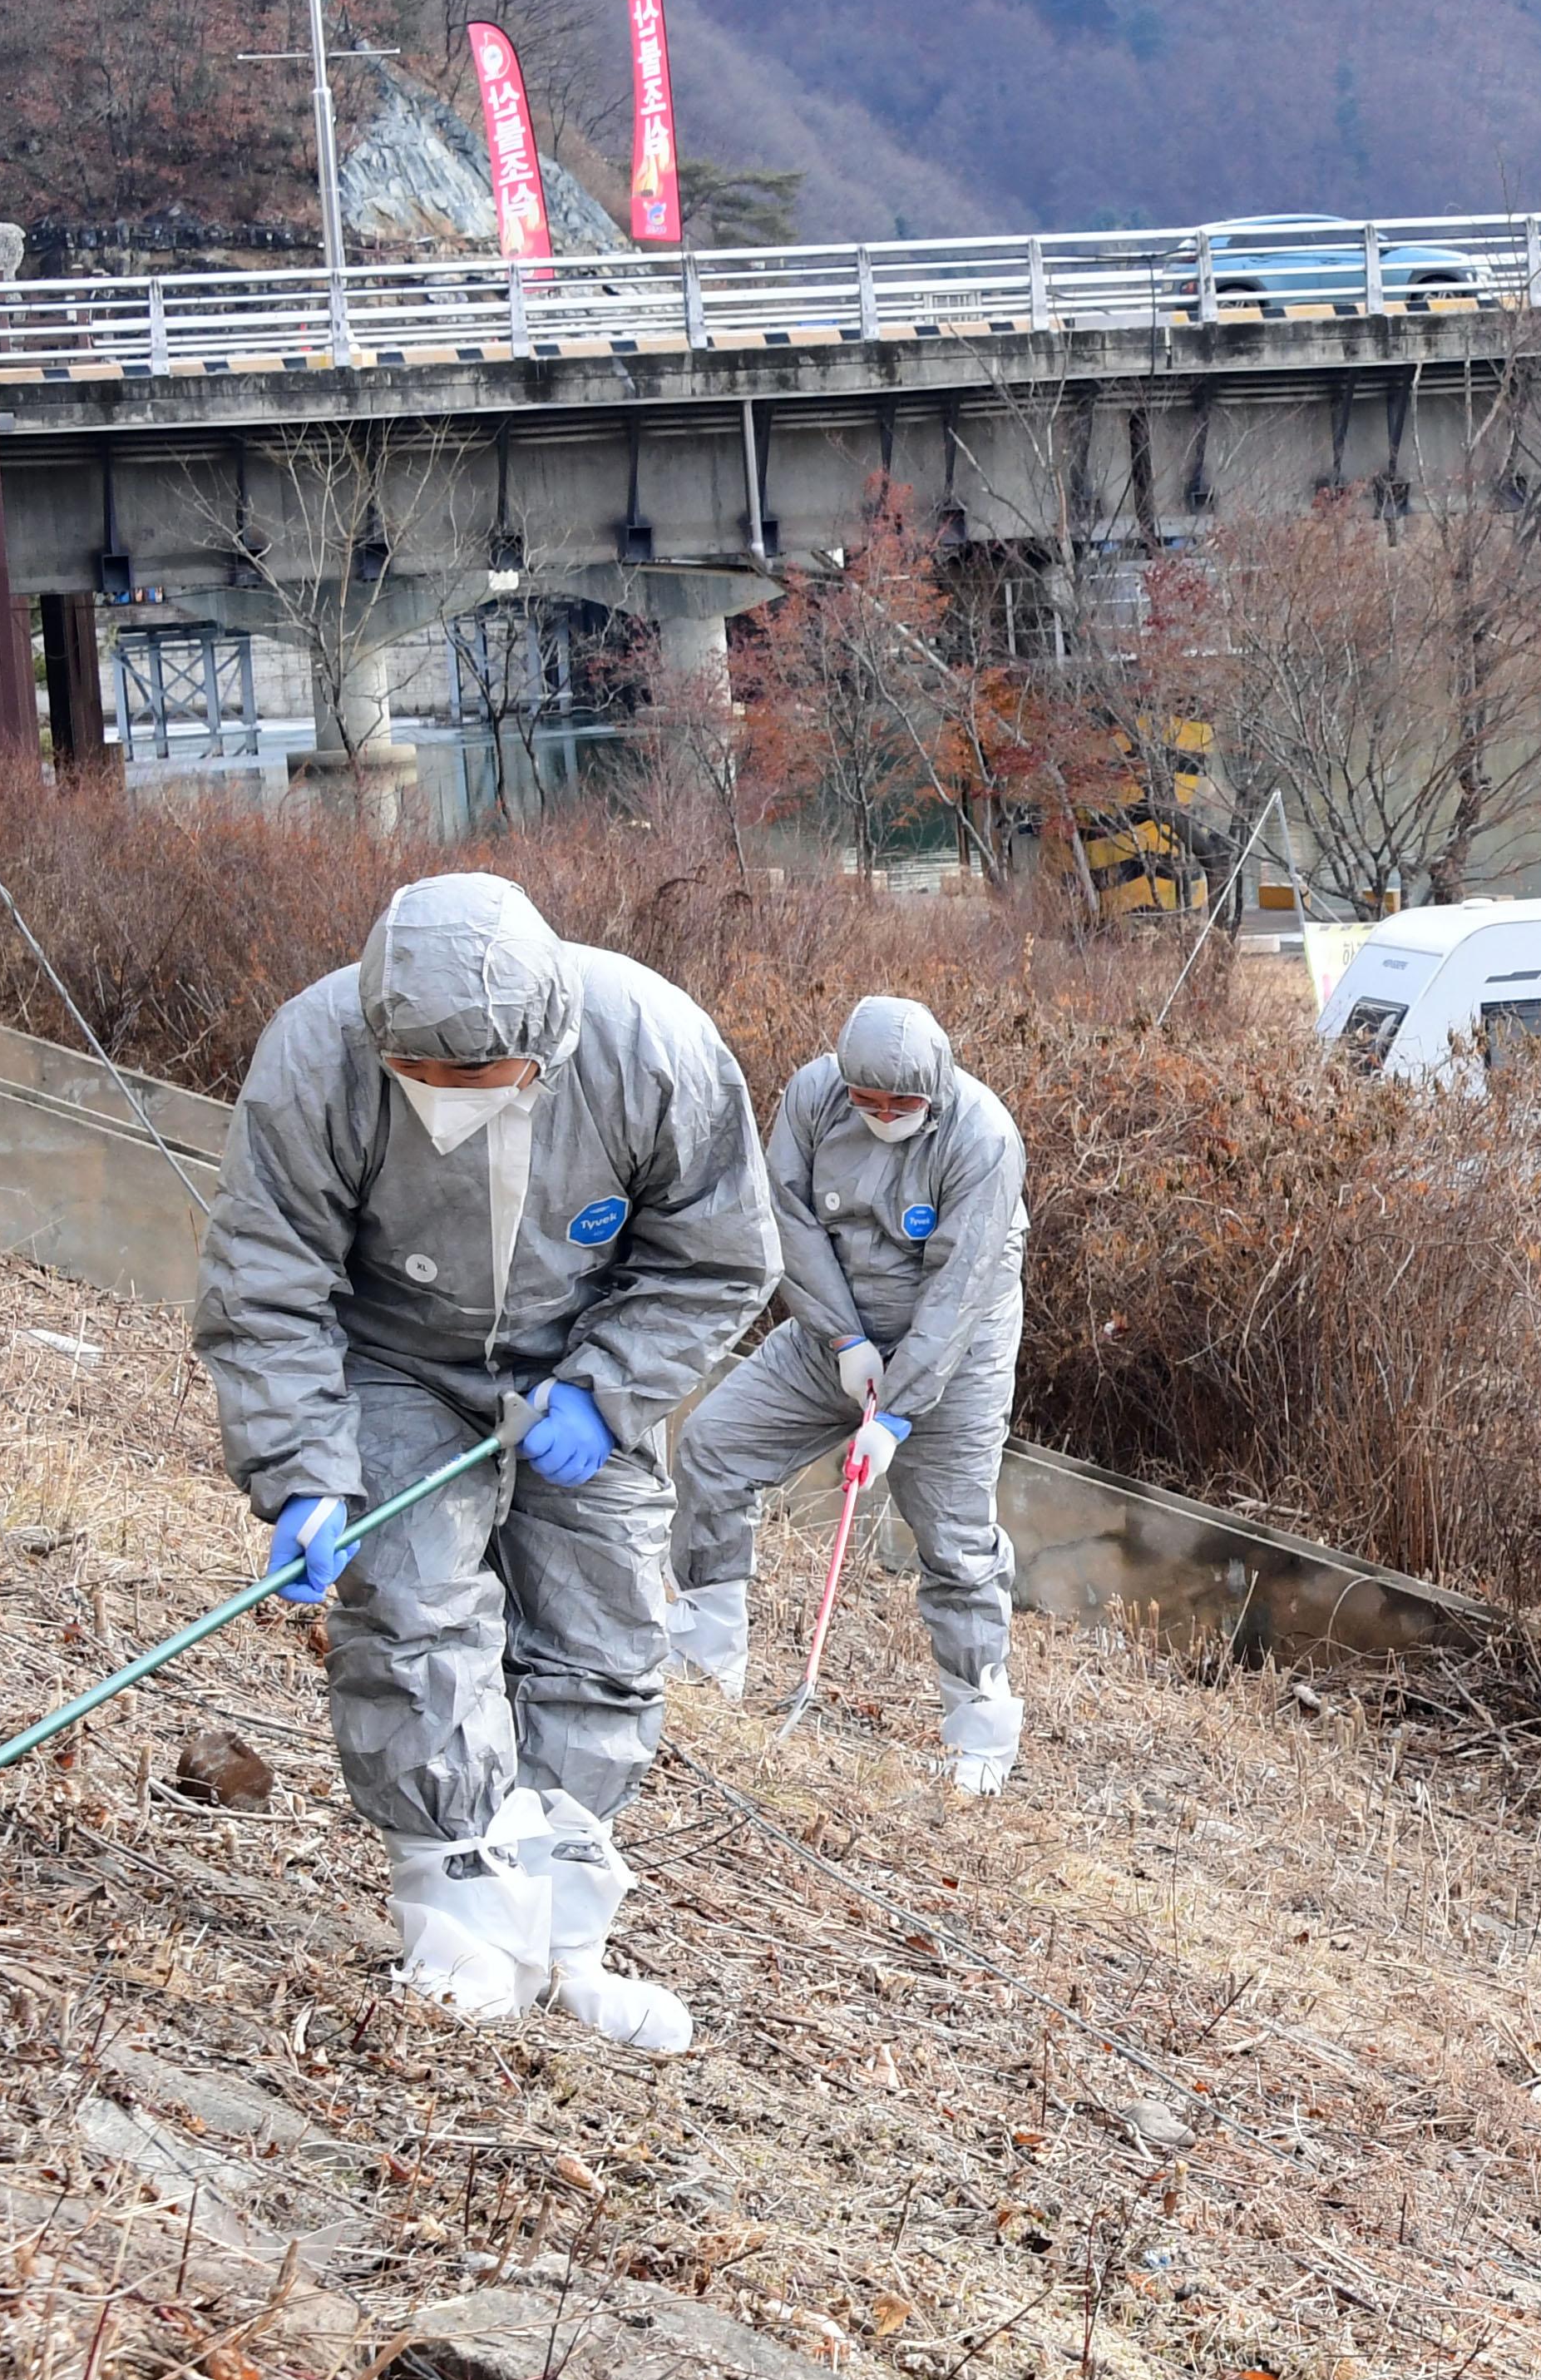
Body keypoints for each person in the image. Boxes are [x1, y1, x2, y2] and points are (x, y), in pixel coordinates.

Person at [195, 872, 776, 2054]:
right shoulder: (319, 1057)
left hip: (582, 1360)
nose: (453, 1104)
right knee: (413, 1608)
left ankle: (566, 1943)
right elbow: (267, 1277)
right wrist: (306, 1469)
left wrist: (609, 1392)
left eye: (483, 1082)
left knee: (605, 1627)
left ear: (547, 1046)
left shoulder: (651, 1048)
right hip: (395, 1357)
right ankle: (459, 1928)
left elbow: (717, 1258)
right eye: (429, 1081)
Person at [664, 996, 1032, 1791]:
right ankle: (704, 1656)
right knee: (714, 1445)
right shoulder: (811, 1097)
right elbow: (788, 1219)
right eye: (869, 1100)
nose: (884, 1114)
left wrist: (895, 1412)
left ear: (936, 1089)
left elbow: (961, 1290)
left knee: (955, 1541)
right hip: (836, 1333)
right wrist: (843, 1340)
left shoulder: (984, 1137)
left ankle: (979, 1734)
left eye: (902, 1105)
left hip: (951, 1359)